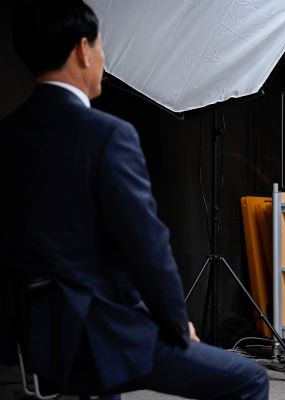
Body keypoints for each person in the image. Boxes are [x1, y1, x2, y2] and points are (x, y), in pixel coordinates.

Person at [0, 1, 268, 399]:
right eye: (101, 47)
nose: (104, 60)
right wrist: (178, 324)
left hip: (33, 342)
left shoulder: (7, 135)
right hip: (103, 338)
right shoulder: (107, 135)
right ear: (83, 50)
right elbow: (147, 246)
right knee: (251, 380)